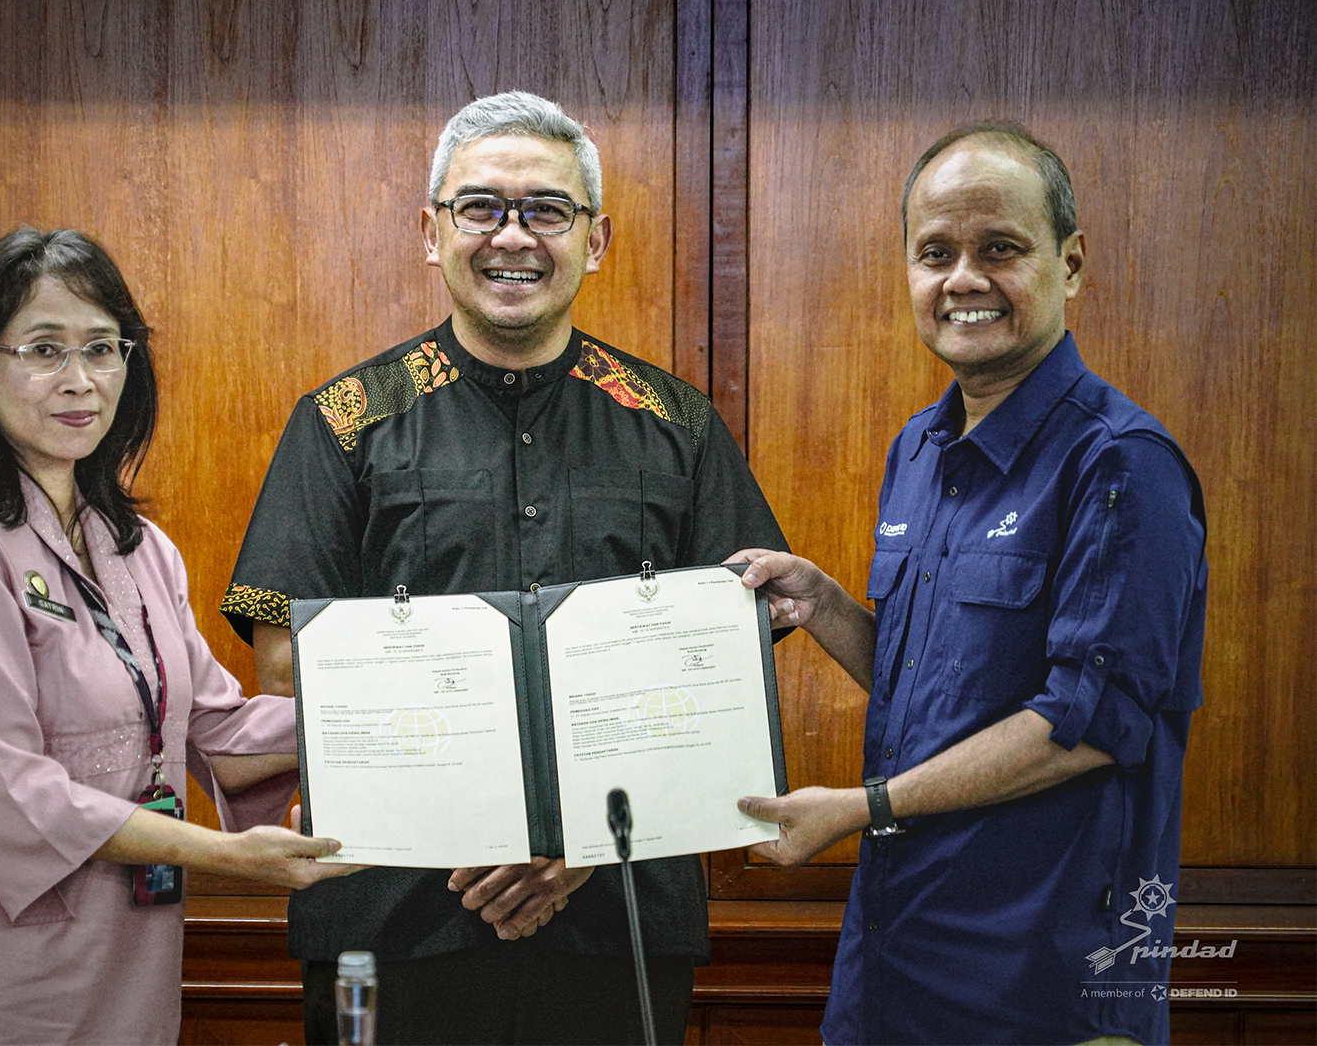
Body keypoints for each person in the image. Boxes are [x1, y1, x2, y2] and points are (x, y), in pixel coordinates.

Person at [220, 92, 789, 1044]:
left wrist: (570, 851)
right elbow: (290, 669)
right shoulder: (344, 421)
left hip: (618, 914)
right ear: (430, 232)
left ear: (595, 240)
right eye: (479, 207)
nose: (511, 235)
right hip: (386, 912)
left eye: (546, 210)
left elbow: (731, 665)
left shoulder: (675, 424)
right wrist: (489, 832)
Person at [732, 123, 1207, 1045]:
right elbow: (943, 696)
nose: (963, 279)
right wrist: (825, 605)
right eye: (934, 253)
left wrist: (859, 808)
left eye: (1000, 249)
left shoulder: (1119, 465)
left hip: (1037, 974)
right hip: (892, 952)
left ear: (1068, 265)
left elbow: (1086, 730)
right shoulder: (917, 447)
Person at [0, 229, 357, 1046]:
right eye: (43, 350)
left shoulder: (139, 548)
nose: (79, 380)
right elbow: (16, 795)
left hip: (124, 959)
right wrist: (231, 859)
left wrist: (406, 712)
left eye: (102, 349)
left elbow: (218, 731)